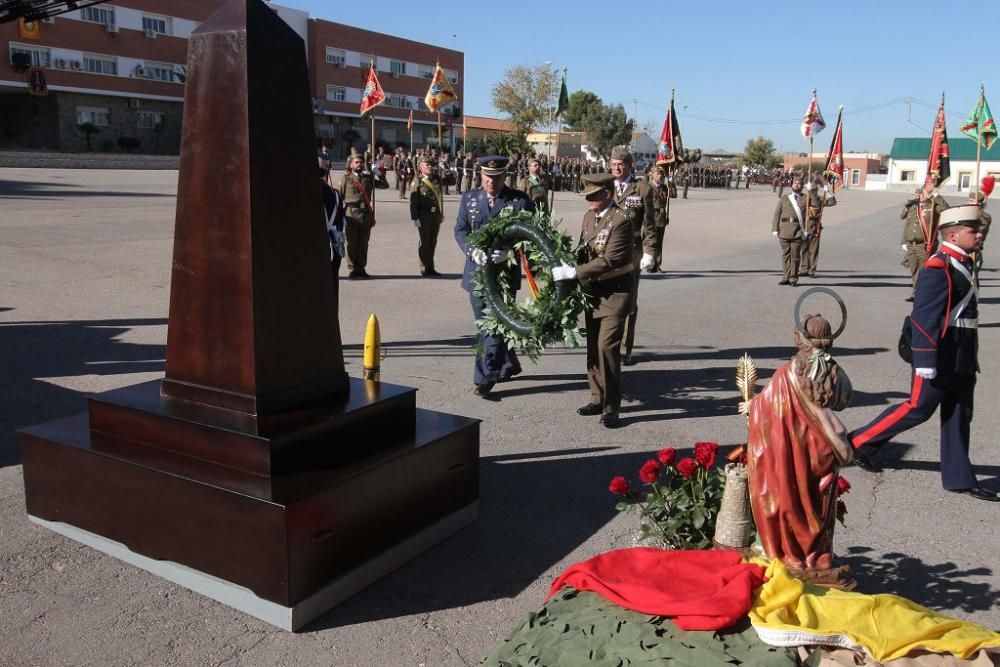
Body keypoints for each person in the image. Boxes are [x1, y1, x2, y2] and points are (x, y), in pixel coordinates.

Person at [850, 206, 997, 502]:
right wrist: (926, 360)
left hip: (963, 352)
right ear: (953, 234)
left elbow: (984, 228)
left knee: (959, 414)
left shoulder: (965, 261)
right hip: (940, 353)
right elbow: (924, 317)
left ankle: (958, 478)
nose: (979, 234)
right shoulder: (938, 267)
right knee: (918, 407)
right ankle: (859, 442)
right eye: (973, 230)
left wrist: (981, 211)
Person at [740, 314, 853, 571]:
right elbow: (844, 399)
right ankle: (815, 554)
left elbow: (768, 402)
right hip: (822, 447)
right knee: (815, 502)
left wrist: (752, 405)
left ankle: (786, 551)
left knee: (785, 496)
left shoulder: (790, 372)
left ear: (800, 339)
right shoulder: (835, 370)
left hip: (792, 448)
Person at [551, 174, 632, 428]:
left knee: (607, 347)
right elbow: (583, 249)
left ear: (607, 194)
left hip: (615, 294)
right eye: (587, 195)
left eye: (593, 194)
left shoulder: (621, 221)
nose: (588, 199)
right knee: (593, 348)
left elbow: (610, 260)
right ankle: (597, 398)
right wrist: (567, 262)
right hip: (592, 293)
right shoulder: (588, 217)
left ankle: (611, 407)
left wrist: (574, 273)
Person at [454, 156, 534, 397]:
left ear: (505, 177)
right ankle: (508, 363)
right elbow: (461, 229)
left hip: (503, 274)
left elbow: (530, 234)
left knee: (495, 325)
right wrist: (471, 249)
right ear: (481, 175)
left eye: (497, 178)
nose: (492, 182)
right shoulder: (470, 199)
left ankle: (485, 377)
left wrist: (510, 252)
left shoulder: (519, 201)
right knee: (483, 323)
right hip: (476, 272)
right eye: (488, 177)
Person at [609, 146, 656, 366]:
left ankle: (625, 348)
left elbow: (650, 225)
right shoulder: (605, 186)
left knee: (629, 300)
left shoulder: (642, 189)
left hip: (631, 252)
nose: (616, 168)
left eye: (621, 164)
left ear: (629, 166)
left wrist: (650, 251)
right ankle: (608, 344)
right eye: (613, 164)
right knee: (607, 298)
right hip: (606, 252)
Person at [900, 184, 949, 301]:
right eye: (918, 194)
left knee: (924, 271)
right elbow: (906, 222)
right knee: (914, 270)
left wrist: (936, 195)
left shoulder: (933, 207)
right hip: (912, 244)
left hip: (924, 245)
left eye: (922, 194)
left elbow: (946, 210)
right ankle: (916, 292)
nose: (920, 196)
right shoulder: (913, 207)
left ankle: (922, 294)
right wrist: (903, 241)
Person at [338, 150, 376, 278]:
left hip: (365, 214)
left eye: (361, 162)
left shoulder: (368, 177)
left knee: (363, 243)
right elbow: (339, 198)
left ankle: (361, 268)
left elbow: (385, 185)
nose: (359, 164)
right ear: (351, 164)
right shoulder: (346, 179)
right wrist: (339, 217)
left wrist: (378, 173)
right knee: (352, 243)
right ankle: (353, 268)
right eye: (356, 162)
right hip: (351, 214)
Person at [410, 156, 443, 277]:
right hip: (424, 216)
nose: (430, 167)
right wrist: (415, 218)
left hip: (435, 215)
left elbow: (450, 182)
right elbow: (413, 202)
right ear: (421, 167)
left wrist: (447, 171)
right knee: (424, 242)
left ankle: (431, 267)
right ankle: (424, 267)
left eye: (430, 165)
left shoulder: (436, 179)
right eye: (427, 165)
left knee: (433, 242)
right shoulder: (417, 181)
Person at [771, 176, 807, 286]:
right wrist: (775, 229)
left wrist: (823, 189)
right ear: (792, 185)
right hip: (784, 230)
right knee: (785, 255)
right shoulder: (785, 198)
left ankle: (793, 278)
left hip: (797, 230)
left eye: (799, 183)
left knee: (795, 256)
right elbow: (777, 214)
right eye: (795, 183)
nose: (796, 184)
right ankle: (785, 277)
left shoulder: (806, 198)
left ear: (802, 186)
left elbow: (824, 204)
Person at [799, 176, 837, 278]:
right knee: (804, 249)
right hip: (804, 226)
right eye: (812, 189)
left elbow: (832, 202)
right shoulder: (804, 198)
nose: (813, 190)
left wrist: (827, 190)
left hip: (815, 227)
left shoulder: (820, 198)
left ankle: (811, 270)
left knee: (813, 250)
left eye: (814, 189)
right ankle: (804, 268)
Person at [320, 152, 346, 295]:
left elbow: (340, 222)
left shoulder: (333, 194)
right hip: (331, 245)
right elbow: (339, 227)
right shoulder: (334, 193)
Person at [649, 166, 670, 273]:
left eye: (661, 174)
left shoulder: (664, 187)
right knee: (651, 242)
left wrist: (672, 183)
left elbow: (673, 195)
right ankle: (650, 264)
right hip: (651, 218)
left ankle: (657, 264)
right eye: (657, 174)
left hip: (661, 218)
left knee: (659, 243)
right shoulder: (648, 187)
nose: (660, 176)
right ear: (652, 175)